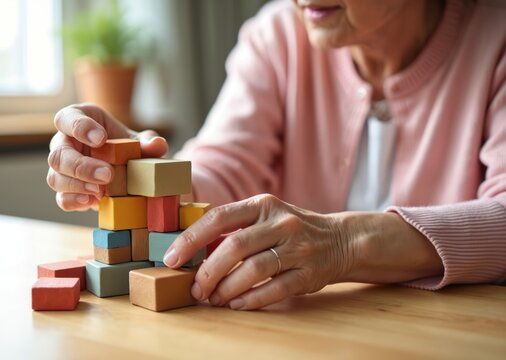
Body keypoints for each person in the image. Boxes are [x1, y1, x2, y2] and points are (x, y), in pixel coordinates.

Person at [47, 0, 506, 310]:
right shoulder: (278, 33)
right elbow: (222, 168)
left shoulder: (495, 36)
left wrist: (344, 243)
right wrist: (138, 173)